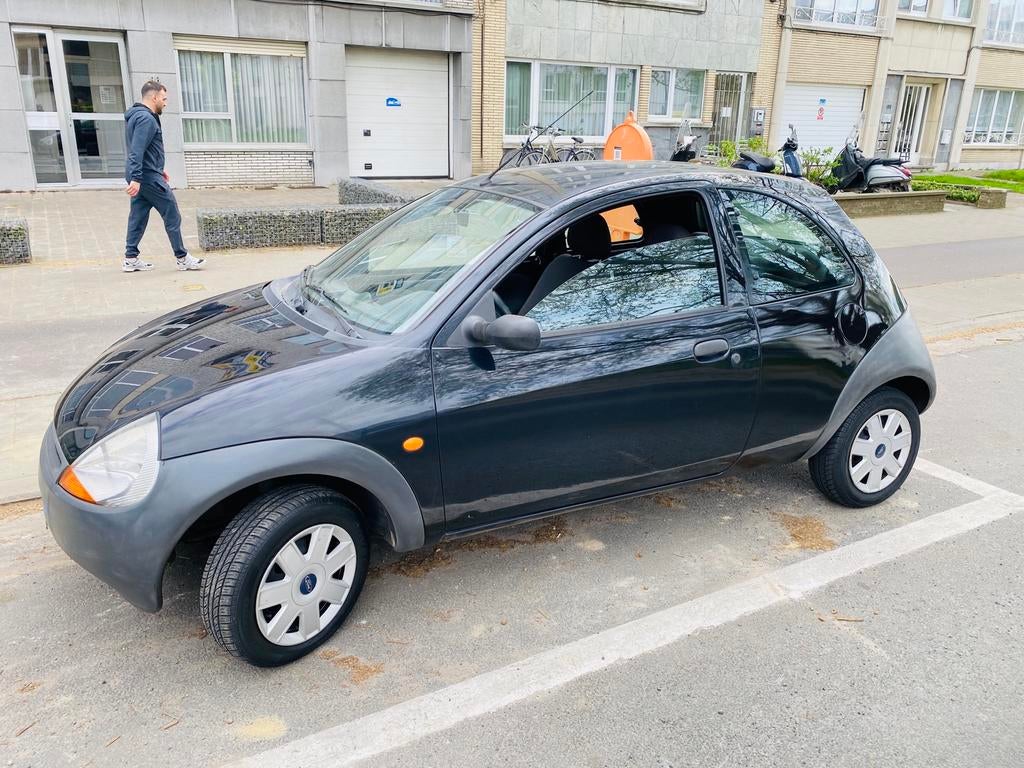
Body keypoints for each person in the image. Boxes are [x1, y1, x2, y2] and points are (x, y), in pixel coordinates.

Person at [122, 80, 205, 273]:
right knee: (172, 213)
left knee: (138, 216)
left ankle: (130, 258)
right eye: (164, 99)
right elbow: (137, 150)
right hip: (147, 177)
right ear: (154, 97)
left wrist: (157, 170)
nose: (165, 103)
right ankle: (182, 258)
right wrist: (137, 178)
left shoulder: (137, 116)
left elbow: (146, 150)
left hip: (146, 174)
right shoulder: (146, 119)